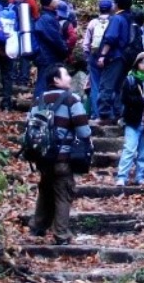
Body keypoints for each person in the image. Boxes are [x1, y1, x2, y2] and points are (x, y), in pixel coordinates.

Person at [29, 64, 92, 246]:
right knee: (64, 192)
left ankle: (38, 226)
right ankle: (61, 233)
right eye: (66, 75)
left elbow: (31, 124)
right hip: (62, 156)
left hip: (42, 155)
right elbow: (83, 129)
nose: (70, 78)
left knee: (46, 189)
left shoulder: (40, 99)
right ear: (56, 80)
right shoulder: (71, 99)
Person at [115, 52, 144, 187]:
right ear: (137, 63)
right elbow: (125, 99)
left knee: (143, 151)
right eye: (142, 62)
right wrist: (142, 101)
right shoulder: (130, 80)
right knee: (129, 149)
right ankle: (122, 176)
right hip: (133, 119)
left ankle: (140, 176)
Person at [95, 0, 133, 122]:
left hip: (114, 56)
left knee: (106, 85)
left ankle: (104, 114)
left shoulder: (117, 18)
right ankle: (119, 112)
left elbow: (111, 37)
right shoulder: (130, 17)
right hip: (126, 57)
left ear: (117, 4)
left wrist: (103, 55)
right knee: (119, 86)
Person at [33, 0, 69, 98]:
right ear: (49, 2)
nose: (58, 0)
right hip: (47, 57)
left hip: (48, 57)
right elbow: (55, 39)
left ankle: (45, 108)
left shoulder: (50, 16)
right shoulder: (46, 19)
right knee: (43, 84)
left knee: (47, 84)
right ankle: (37, 109)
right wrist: (64, 50)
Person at [83, 0, 113, 120]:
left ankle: (96, 114)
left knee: (95, 85)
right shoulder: (113, 22)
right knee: (108, 85)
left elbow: (85, 44)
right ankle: (108, 113)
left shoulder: (93, 23)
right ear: (111, 9)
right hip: (109, 59)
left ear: (99, 9)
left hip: (94, 57)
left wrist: (88, 57)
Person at [11, 0, 40, 85]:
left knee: (14, 54)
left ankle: (13, 78)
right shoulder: (30, 1)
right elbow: (36, 16)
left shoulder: (11, 1)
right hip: (27, 31)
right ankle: (24, 79)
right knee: (25, 55)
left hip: (14, 31)